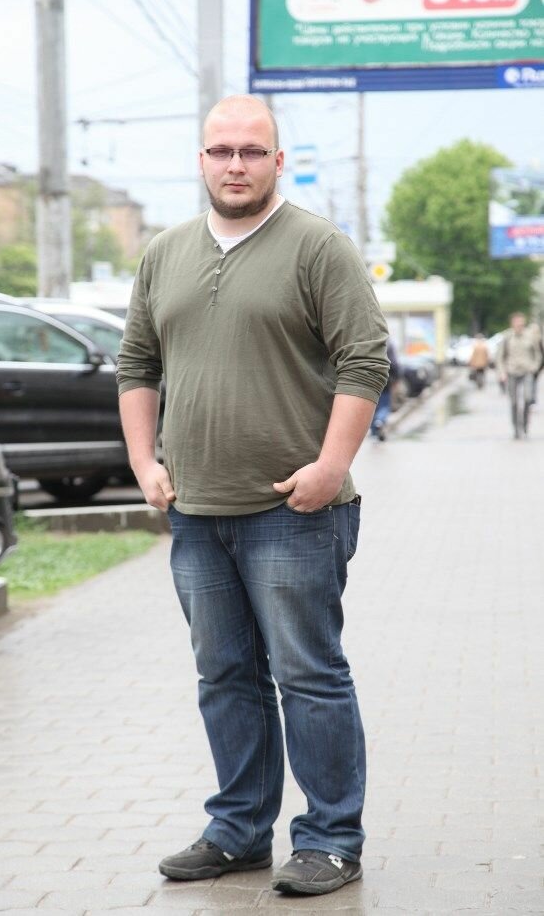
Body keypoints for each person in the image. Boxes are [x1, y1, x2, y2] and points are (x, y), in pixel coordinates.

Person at [116, 95, 389, 898]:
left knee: (308, 676)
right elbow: (137, 364)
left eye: (251, 151)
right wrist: (143, 462)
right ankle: (238, 831)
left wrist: (331, 467)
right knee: (224, 676)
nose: (235, 164)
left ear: (277, 161)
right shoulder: (164, 253)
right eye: (221, 151)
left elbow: (364, 360)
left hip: (293, 512)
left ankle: (331, 840)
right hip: (196, 512)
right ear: (201, 161)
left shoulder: (318, 247)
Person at [496, 312, 540, 438]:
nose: (520, 325)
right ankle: (516, 428)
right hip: (512, 371)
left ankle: (525, 424)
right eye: (517, 323)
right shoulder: (507, 337)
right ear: (512, 323)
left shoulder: (530, 336)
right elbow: (500, 357)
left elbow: (538, 354)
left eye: (522, 323)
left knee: (528, 398)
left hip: (527, 371)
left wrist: (534, 367)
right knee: (514, 402)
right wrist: (502, 372)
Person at [370, 338, 400, 440]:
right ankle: (380, 420)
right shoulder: (389, 345)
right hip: (385, 381)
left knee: (373, 406)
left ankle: (374, 433)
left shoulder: (370, 342)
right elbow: (394, 364)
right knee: (384, 406)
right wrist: (396, 378)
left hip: (371, 381)